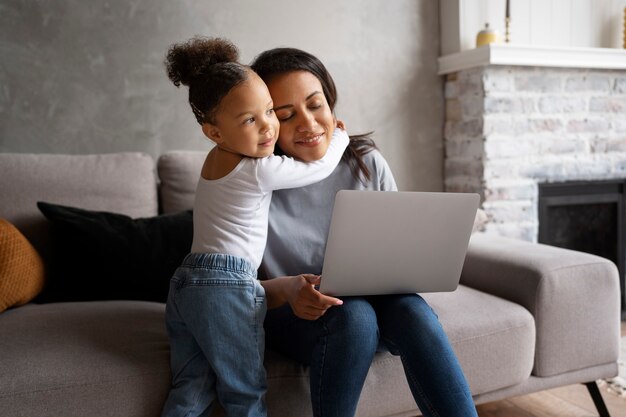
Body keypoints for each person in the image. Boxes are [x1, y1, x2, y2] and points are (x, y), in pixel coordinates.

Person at [250, 48, 479, 417]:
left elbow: (399, 247)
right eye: (287, 115)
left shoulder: (366, 161)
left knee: (413, 312)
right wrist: (291, 291)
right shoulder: (253, 182)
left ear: (331, 103)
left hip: (372, 305)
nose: (308, 123)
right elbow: (232, 287)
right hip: (292, 315)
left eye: (315, 105)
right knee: (354, 315)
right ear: (267, 124)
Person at [160, 37, 349, 417]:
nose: (268, 128)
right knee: (245, 391)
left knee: (192, 385)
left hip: (186, 282)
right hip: (226, 286)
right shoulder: (257, 170)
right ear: (214, 132)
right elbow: (319, 167)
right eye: (250, 120)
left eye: (269, 112)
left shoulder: (215, 161)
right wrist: (340, 137)